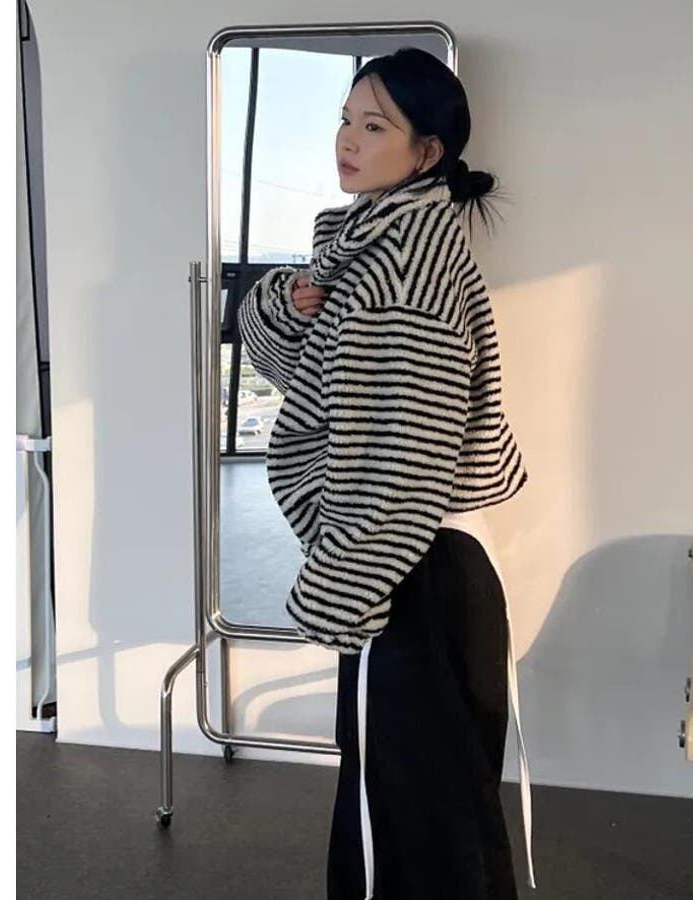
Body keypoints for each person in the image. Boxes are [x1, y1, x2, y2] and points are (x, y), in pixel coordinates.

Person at [238, 47, 535, 900]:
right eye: (345, 119)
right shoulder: (380, 246)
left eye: (375, 126)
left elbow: (405, 450)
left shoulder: (400, 266)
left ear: (426, 151)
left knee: (408, 823)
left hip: (402, 562)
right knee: (437, 811)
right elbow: (324, 385)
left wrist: (343, 584)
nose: (348, 140)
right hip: (419, 560)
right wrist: (289, 299)